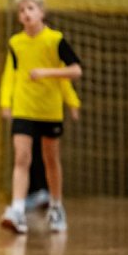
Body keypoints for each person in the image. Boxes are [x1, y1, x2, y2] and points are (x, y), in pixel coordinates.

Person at [0, 0, 82, 234]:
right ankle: (16, 210)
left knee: (50, 160)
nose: (26, 13)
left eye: (31, 8)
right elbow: (10, 75)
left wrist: (70, 100)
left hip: (49, 110)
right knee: (21, 157)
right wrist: (6, 102)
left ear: (41, 13)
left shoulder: (55, 40)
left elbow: (75, 71)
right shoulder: (15, 43)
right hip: (24, 108)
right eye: (22, 10)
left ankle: (56, 206)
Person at [25, 80, 80, 212]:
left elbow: (63, 80)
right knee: (27, 154)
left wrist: (73, 103)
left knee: (49, 156)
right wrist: (6, 104)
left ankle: (51, 197)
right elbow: (11, 78)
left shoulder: (53, 61)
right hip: (26, 111)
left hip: (49, 113)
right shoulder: (22, 61)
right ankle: (33, 193)